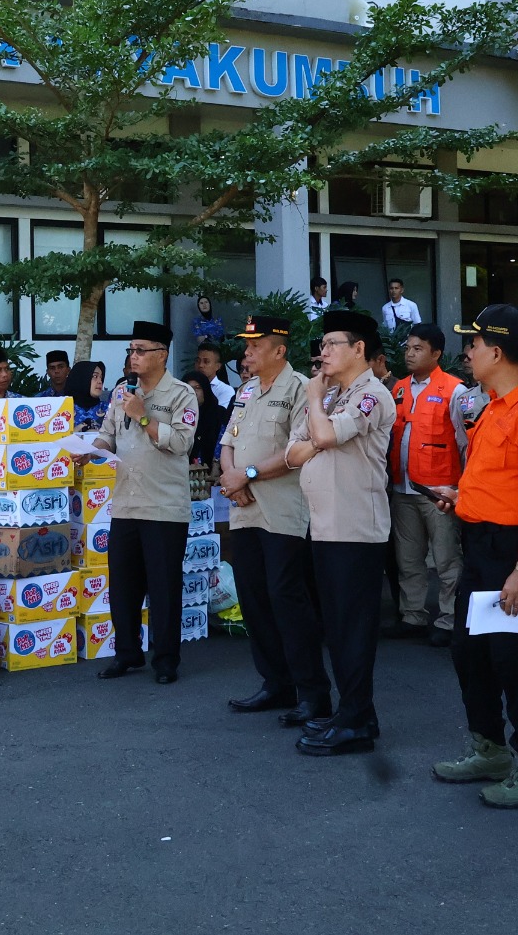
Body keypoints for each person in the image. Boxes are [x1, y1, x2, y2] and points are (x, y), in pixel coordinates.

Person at [428, 305, 518, 809]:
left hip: (514, 552)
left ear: (496, 350)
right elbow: (498, 480)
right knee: (471, 653)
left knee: (517, 662)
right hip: (483, 543)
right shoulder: (496, 403)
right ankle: (488, 748)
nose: (466, 352)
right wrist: (462, 499)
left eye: (472, 343)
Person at [282, 309, 396, 756]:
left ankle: (357, 721)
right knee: (336, 625)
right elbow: (293, 452)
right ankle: (354, 712)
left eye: (331, 344)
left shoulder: (370, 395)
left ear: (359, 349)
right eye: (323, 345)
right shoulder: (333, 396)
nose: (323, 352)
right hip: (325, 526)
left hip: (355, 529)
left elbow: (324, 439)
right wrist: (318, 422)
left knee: (352, 629)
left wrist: (313, 400)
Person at [218, 316, 321, 724]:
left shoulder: (299, 389)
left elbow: (298, 449)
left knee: (287, 600)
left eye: (254, 345)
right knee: (254, 600)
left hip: (281, 512)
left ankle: (312, 692)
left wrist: (248, 475)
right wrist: (232, 478)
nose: (246, 352)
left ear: (279, 350)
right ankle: (275, 683)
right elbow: (228, 441)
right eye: (247, 345)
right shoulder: (245, 390)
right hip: (244, 510)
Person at [93, 320, 197, 685]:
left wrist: (143, 414)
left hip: (164, 506)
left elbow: (182, 443)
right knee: (122, 585)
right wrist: (92, 451)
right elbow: (108, 433)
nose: (133, 357)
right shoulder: (122, 389)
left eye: (140, 350)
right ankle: (127, 653)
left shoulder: (181, 394)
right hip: (125, 504)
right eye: (131, 350)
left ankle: (166, 659)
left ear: (161, 355)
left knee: (164, 587)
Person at [385, 323, 468, 648]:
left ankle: (448, 619)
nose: (409, 353)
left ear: (436, 353)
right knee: (408, 558)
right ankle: (413, 615)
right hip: (403, 489)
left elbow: (465, 443)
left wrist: (462, 489)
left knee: (447, 559)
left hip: (440, 491)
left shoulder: (455, 390)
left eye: (417, 348)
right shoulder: (400, 389)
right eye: (408, 348)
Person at [183, 372, 226, 467]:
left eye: (197, 388)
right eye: (188, 388)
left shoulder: (219, 413)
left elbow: (224, 441)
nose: (192, 392)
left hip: (214, 472)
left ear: (205, 390)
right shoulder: (177, 415)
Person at [61, 360, 109, 430]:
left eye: (101, 377)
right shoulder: (62, 410)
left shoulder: (108, 409)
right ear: (82, 378)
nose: (100, 381)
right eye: (95, 376)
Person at [194, 342, 235, 407]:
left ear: (218, 366)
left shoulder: (225, 390)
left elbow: (221, 415)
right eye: (198, 361)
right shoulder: (187, 388)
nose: (200, 365)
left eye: (206, 362)